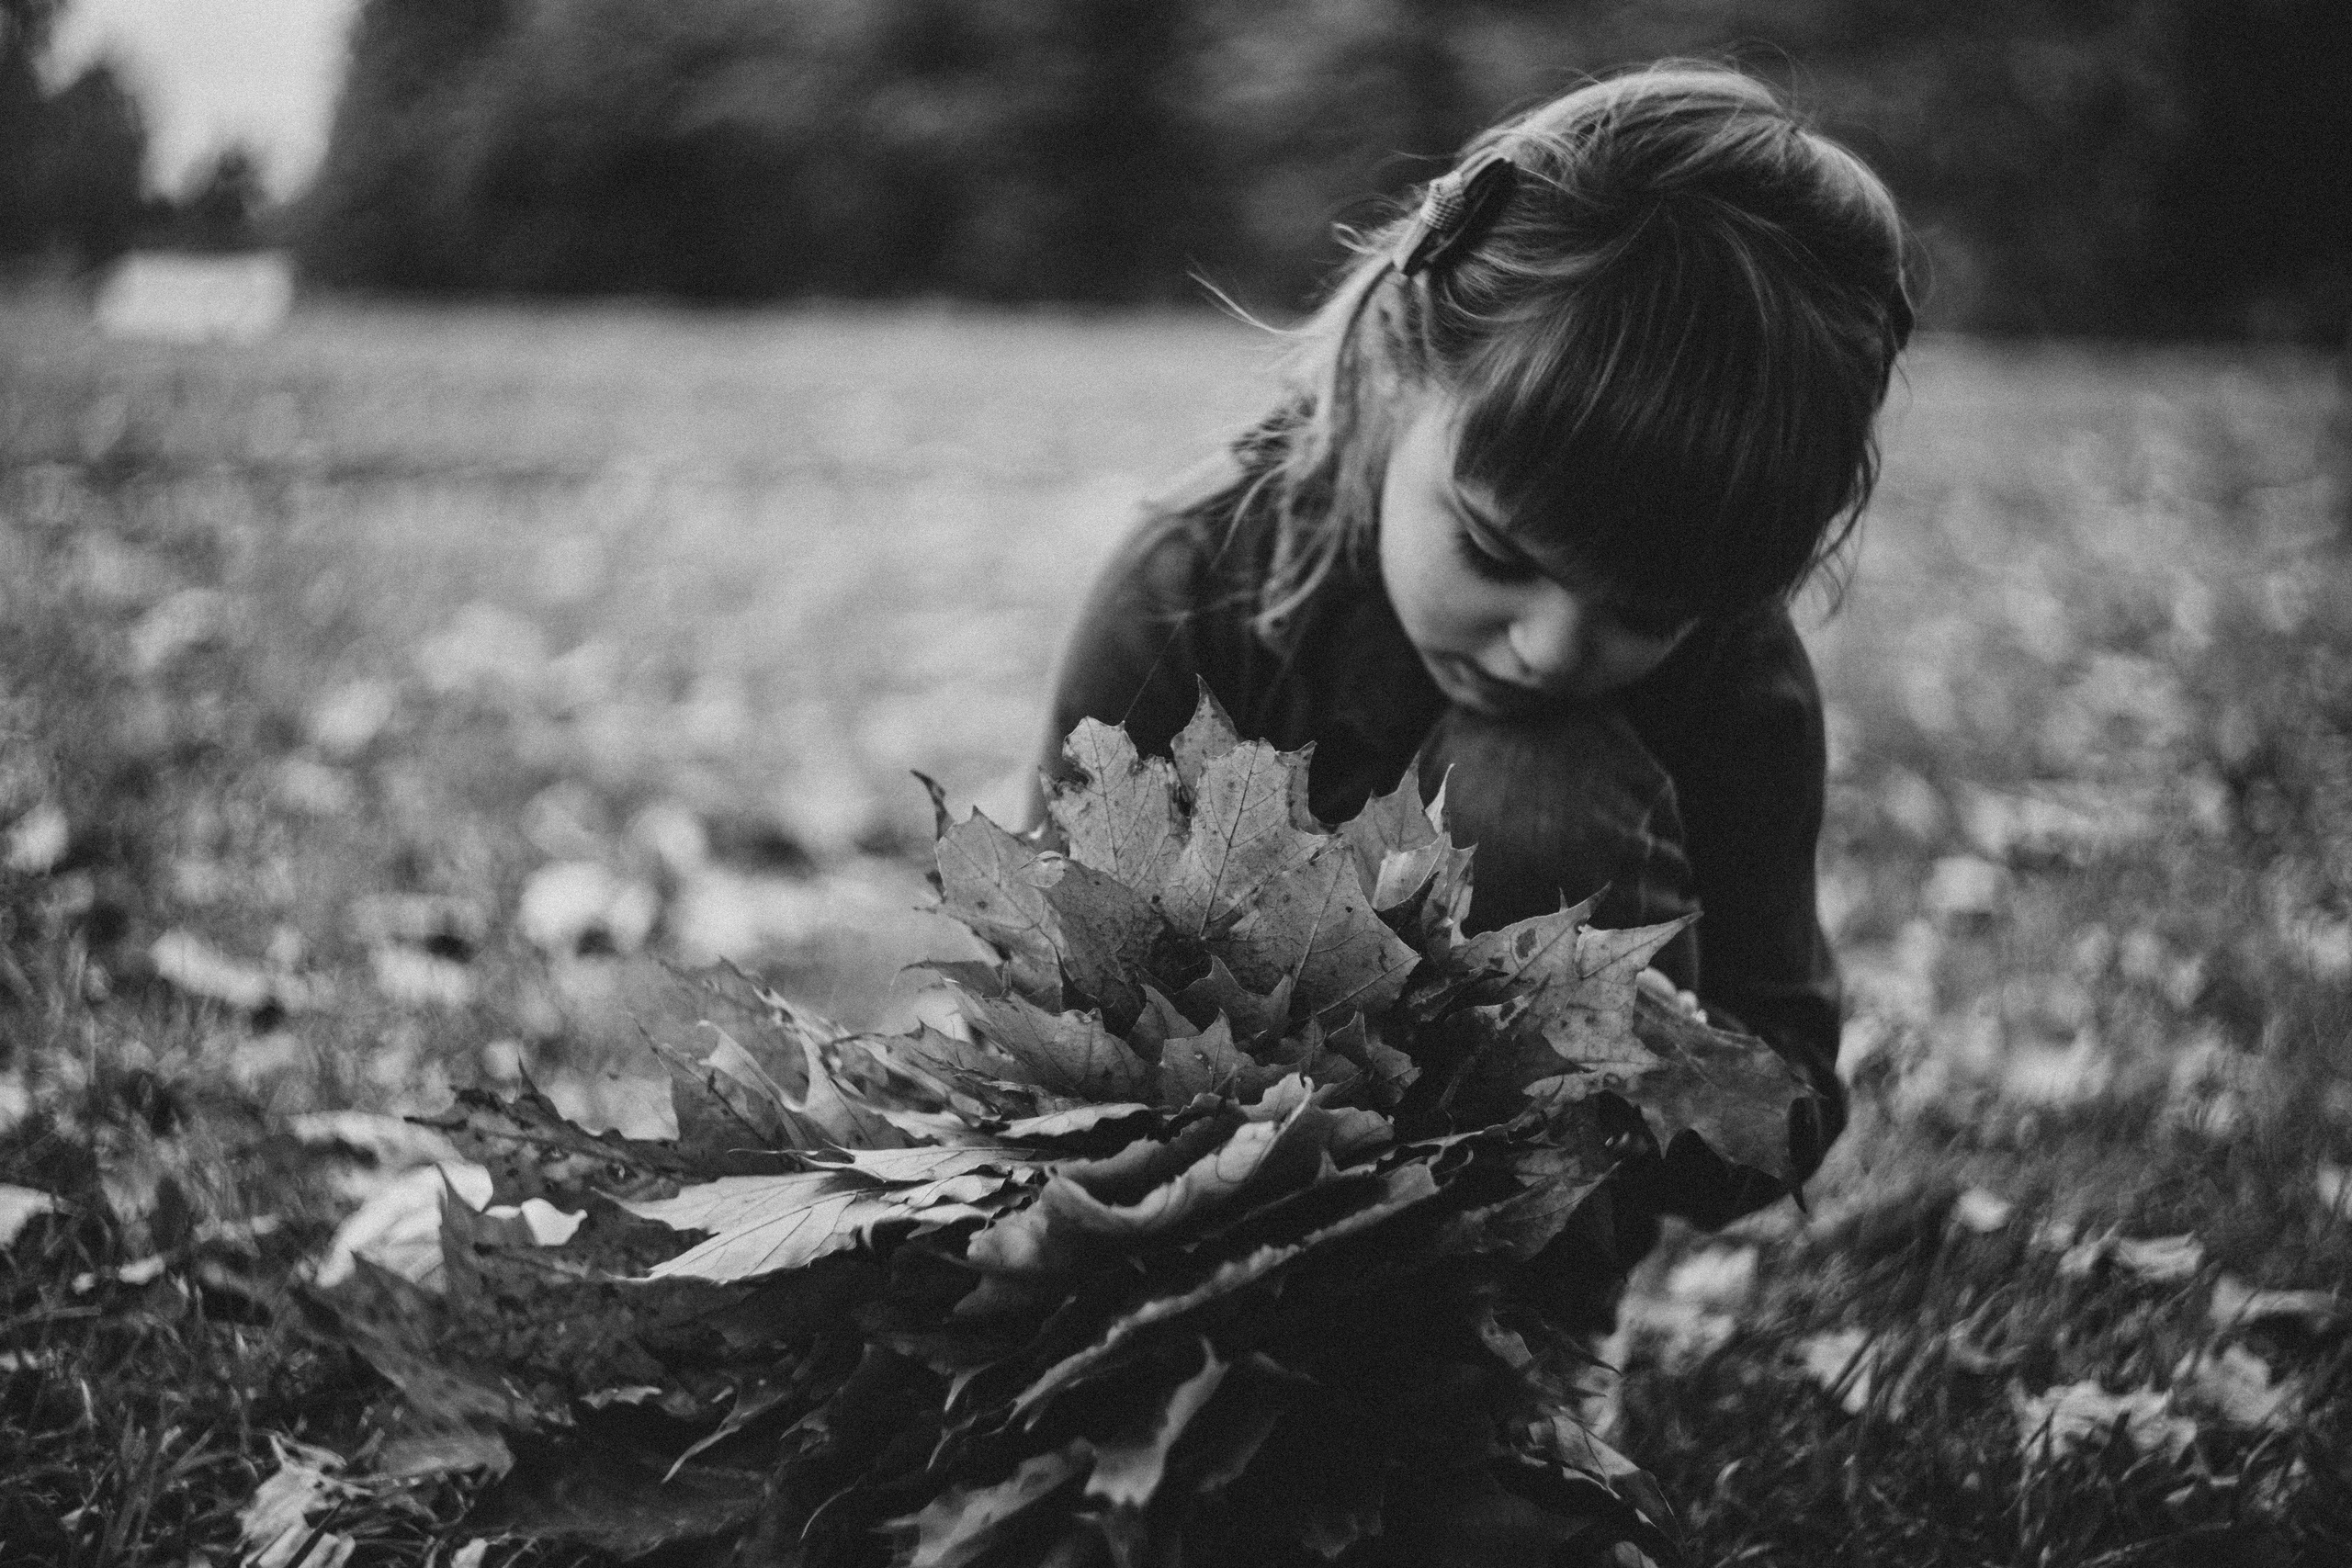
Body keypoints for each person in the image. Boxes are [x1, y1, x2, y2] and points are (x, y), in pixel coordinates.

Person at [1030, 59, 1911, 1561]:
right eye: (1496, 550)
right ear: (1393, 366)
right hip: (1192, 1229)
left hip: (1503, 1270)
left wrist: (1609, 1046)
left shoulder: (1737, 687)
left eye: (1647, 610)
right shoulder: (1194, 588)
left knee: (1536, 781)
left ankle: (1510, 1381)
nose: (1555, 645)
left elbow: (1784, 1106)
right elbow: (1057, 990)